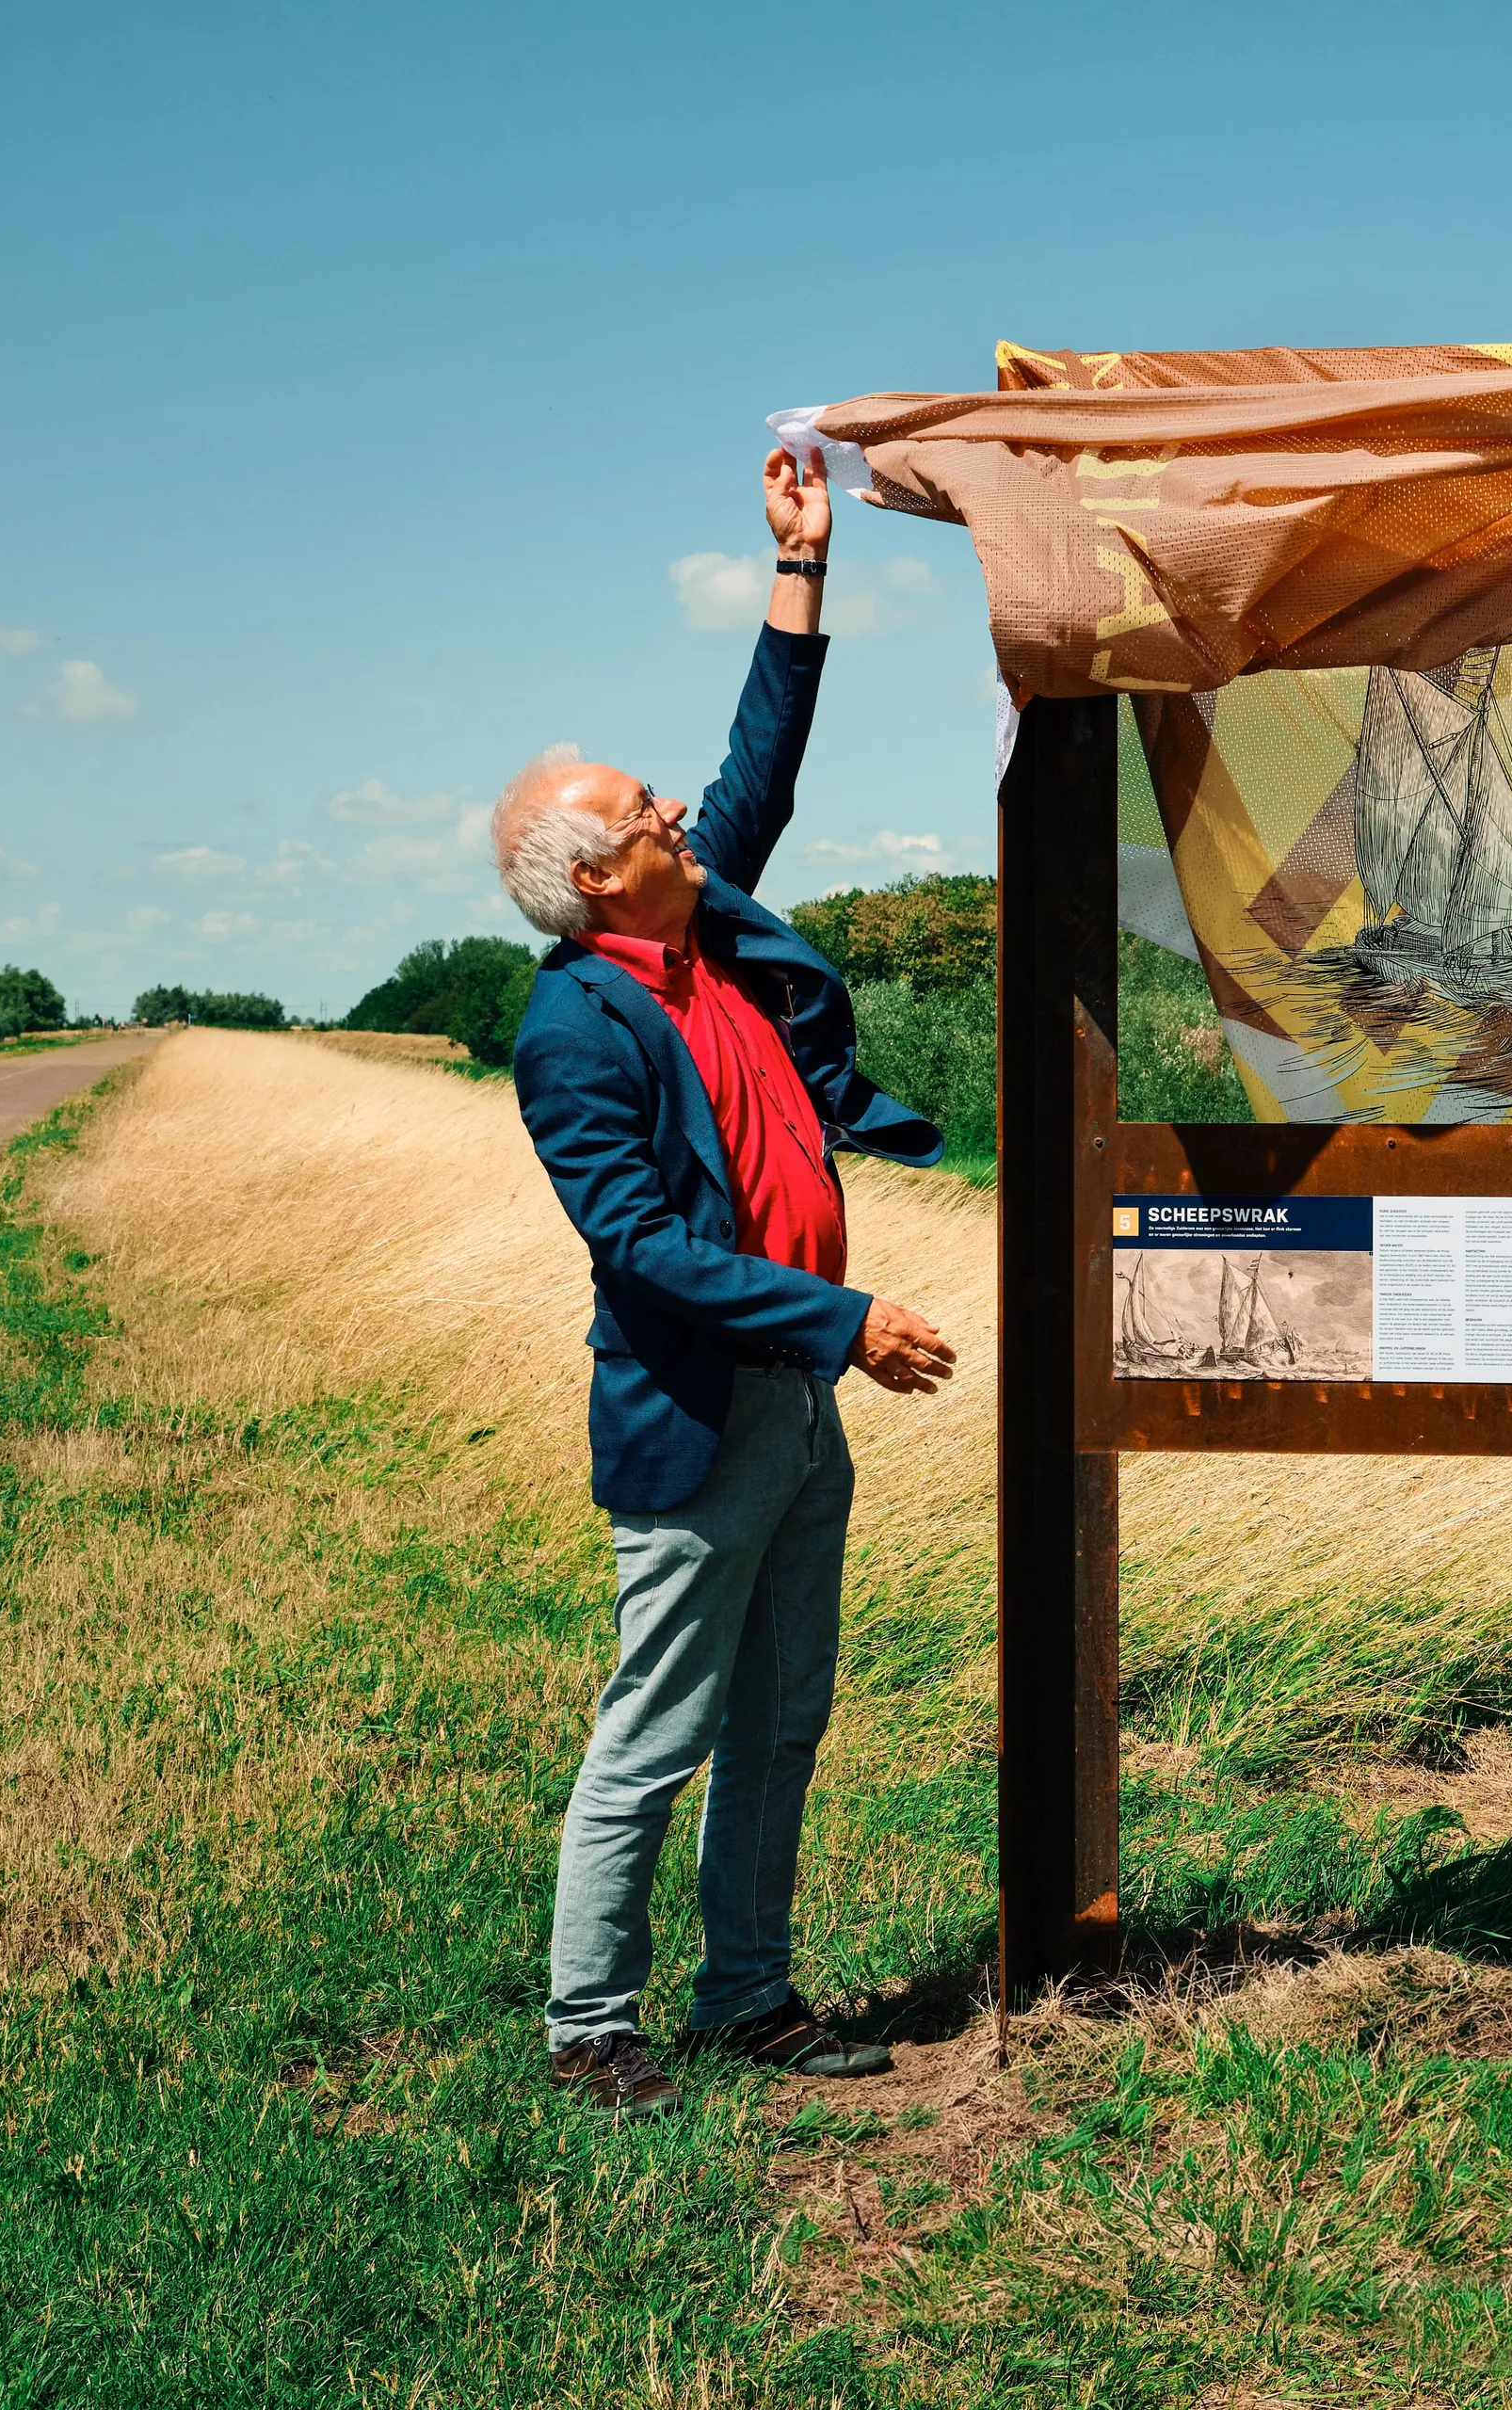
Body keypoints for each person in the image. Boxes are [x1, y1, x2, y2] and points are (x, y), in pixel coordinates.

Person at [494, 447, 960, 2122]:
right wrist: (846, 1320)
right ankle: (587, 2025)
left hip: (796, 1407)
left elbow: (757, 755)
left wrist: (799, 566)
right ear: (593, 877)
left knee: (782, 1719)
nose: (674, 814)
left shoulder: (711, 927)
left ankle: (748, 1996)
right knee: (658, 1728)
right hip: (700, 1418)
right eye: (642, 815)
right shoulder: (574, 1026)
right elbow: (645, 1249)